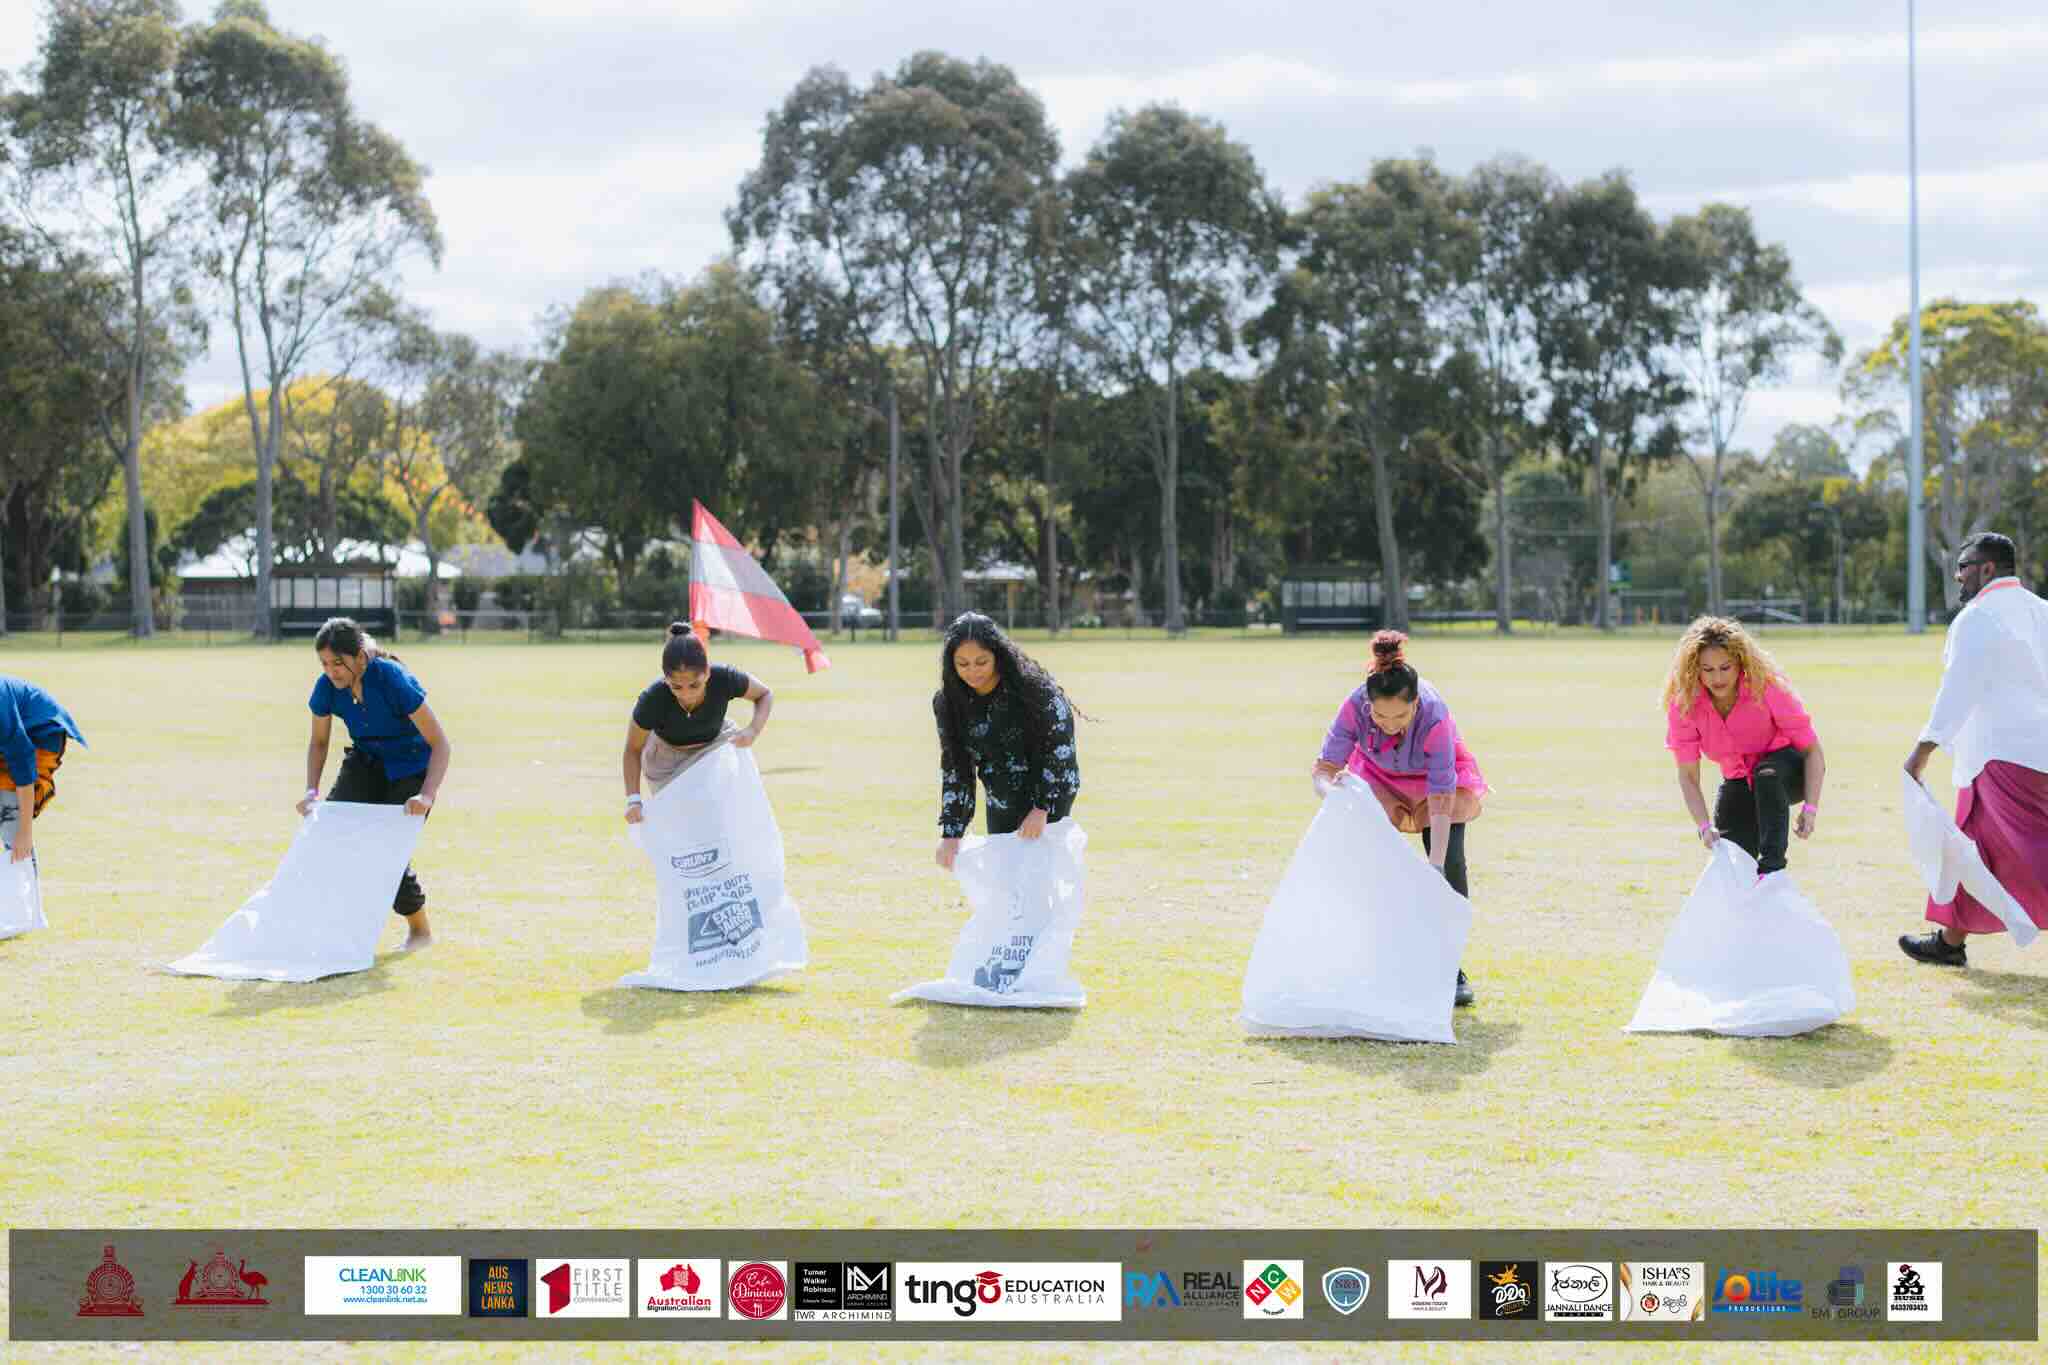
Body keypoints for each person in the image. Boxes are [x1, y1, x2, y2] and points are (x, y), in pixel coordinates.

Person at [1311, 631, 1487, 1007]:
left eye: (1401, 716)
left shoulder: (1435, 716)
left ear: (1416, 703)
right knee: (1373, 866)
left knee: (1451, 864)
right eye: (1380, 715)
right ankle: (1378, 959)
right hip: (1378, 779)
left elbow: (1442, 796)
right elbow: (1324, 770)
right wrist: (1337, 798)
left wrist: (1435, 865)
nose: (1390, 724)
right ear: (1367, 705)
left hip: (1434, 787)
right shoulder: (1355, 705)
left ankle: (1449, 967)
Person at [1900, 533, 2048, 967]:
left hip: (2003, 756)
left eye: (1963, 566)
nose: (1958, 575)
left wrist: (1922, 749)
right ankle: (1950, 940)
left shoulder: (1977, 617)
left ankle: (1950, 940)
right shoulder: (2042, 611)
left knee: (2032, 848)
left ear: (1987, 568)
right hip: (2026, 751)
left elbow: (1957, 690)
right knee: (1972, 847)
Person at [298, 617, 451, 950]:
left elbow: (440, 743)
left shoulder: (391, 678)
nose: (331, 671)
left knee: (387, 850)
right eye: (324, 663)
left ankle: (420, 931)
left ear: (360, 658)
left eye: (338, 663)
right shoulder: (326, 687)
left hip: (411, 765)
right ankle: (333, 929)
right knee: (330, 832)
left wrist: (426, 795)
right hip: (366, 762)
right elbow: (319, 743)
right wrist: (311, 792)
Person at [1662, 616, 1826, 881]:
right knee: (1732, 862)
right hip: (1739, 778)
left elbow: (1813, 751)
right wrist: (1704, 826)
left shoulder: (1766, 688)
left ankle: (1772, 870)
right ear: (1695, 669)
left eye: (1725, 667)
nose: (1717, 677)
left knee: (1766, 774)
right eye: (1708, 669)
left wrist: (1810, 808)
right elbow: (1688, 776)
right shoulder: (1685, 706)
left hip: (1787, 771)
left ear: (1740, 663)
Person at [933, 613, 1080, 869]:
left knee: (1040, 873)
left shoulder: (1036, 691)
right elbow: (956, 767)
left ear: (998, 656)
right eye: (963, 664)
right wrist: (951, 832)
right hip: (1001, 791)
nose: (972, 671)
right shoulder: (949, 703)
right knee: (1006, 873)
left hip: (1050, 787)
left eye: (981, 662)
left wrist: (1042, 808)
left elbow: (1060, 748)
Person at [623, 623, 773, 823]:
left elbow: (764, 694)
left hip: (715, 746)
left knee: (725, 817)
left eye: (695, 685)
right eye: (676, 686)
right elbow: (633, 749)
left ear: (708, 673)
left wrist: (753, 730)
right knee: (684, 823)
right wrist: (633, 800)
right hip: (667, 760)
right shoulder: (653, 699)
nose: (687, 694)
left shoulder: (724, 677)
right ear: (666, 679)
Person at [0, 675, 87, 867]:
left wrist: (24, 832)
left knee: (8, 807)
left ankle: (23, 883)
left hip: (40, 733)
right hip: (12, 737)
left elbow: (23, 764)